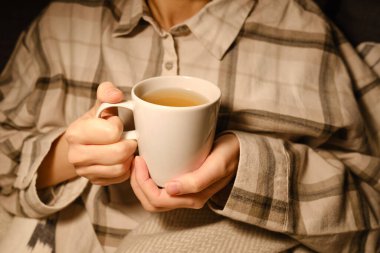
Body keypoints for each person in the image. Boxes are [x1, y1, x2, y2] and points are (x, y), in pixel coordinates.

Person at [0, 0, 379, 252]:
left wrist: (243, 170)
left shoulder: (303, 30)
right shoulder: (60, 23)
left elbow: (371, 209)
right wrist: (67, 156)